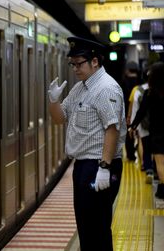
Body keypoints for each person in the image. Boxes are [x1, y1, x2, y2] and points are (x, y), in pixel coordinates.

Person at [48, 36, 126, 251]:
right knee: (86, 227)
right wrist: (53, 101)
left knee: (97, 228)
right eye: (72, 64)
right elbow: (60, 118)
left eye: (79, 63)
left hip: (98, 166)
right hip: (84, 166)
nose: (75, 68)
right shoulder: (81, 88)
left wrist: (104, 167)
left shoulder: (106, 88)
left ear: (95, 61)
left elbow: (112, 128)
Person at [130, 61, 164, 199]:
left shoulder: (149, 93)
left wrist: (132, 126)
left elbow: (141, 112)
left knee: (160, 163)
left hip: (157, 132)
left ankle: (162, 189)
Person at [129, 68, 154, 184]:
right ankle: (158, 173)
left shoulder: (139, 90)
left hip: (144, 125)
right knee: (158, 151)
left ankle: (148, 168)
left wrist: (133, 126)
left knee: (146, 147)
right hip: (159, 126)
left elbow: (137, 110)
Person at [121, 61, 140, 161]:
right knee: (141, 136)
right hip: (140, 111)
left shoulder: (124, 81)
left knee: (128, 134)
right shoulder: (140, 80)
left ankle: (130, 155)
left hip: (128, 111)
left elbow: (123, 99)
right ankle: (143, 159)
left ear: (127, 70)